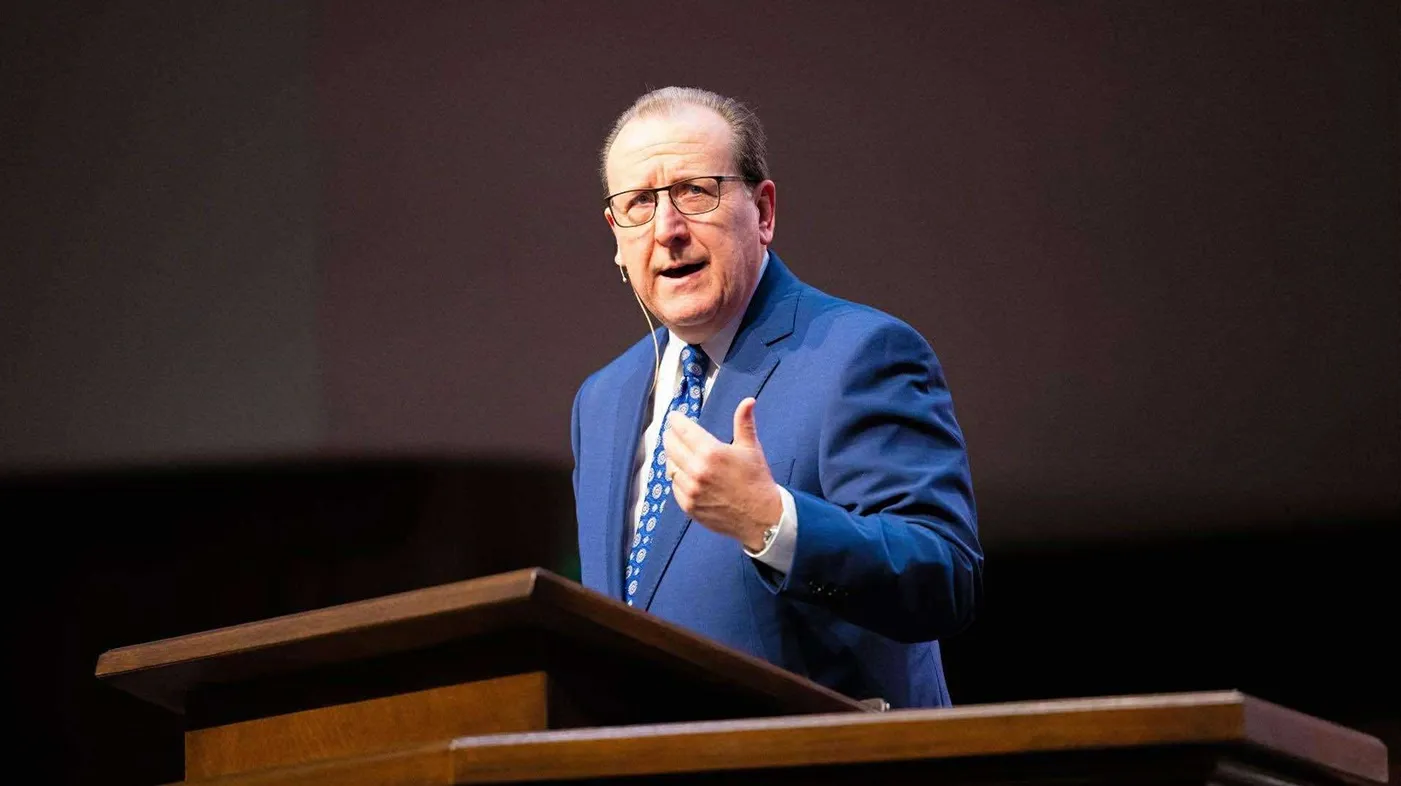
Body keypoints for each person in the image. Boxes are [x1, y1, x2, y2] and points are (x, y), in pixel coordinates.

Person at [570, 87, 982, 708]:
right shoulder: (600, 401)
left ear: (763, 212)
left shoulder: (861, 353)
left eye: (694, 192)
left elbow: (944, 576)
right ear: (617, 236)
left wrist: (773, 523)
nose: (668, 229)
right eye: (638, 204)